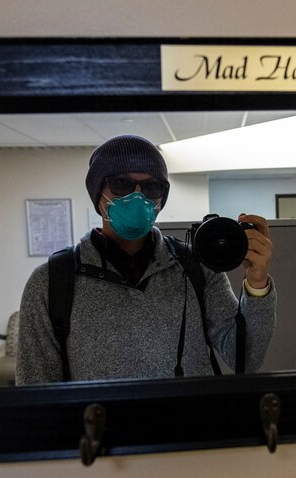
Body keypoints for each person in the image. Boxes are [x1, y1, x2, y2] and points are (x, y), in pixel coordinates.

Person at [16, 135, 276, 384]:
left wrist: (257, 283)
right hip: (97, 428)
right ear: (98, 193)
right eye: (122, 183)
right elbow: (35, 388)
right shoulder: (51, 282)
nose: (138, 196)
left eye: (152, 186)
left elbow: (246, 358)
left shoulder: (196, 266)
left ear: (162, 197)